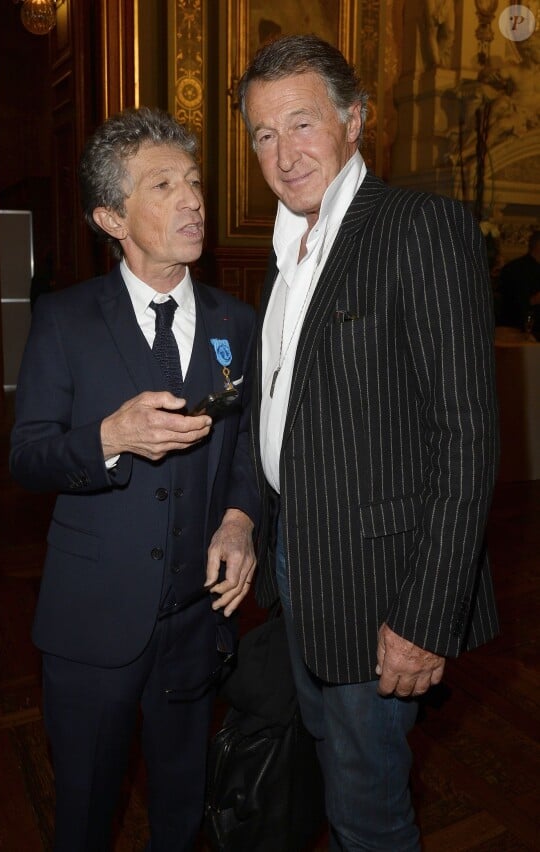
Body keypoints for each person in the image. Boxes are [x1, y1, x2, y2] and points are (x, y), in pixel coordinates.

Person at [238, 34, 499, 850]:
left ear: (356, 120)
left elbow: (466, 436)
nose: (284, 154)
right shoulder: (287, 255)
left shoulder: (420, 226)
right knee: (330, 770)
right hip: (300, 569)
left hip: (382, 591)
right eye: (263, 135)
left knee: (369, 809)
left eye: (302, 123)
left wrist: (425, 617)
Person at [10, 106, 258, 852]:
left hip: (195, 625)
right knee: (84, 814)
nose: (192, 201)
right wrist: (109, 437)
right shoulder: (63, 321)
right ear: (111, 216)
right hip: (91, 628)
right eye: (163, 185)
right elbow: (27, 458)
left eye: (193, 182)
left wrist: (242, 520)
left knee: (183, 813)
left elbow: (245, 451)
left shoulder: (235, 322)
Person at [498, 230, 540, 338]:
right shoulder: (515, 269)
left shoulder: (512, 267)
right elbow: (511, 304)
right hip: (517, 331)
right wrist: (533, 300)